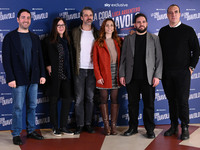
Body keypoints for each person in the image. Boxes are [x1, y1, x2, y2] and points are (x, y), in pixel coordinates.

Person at [2, 9, 46, 145]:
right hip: (18, 79)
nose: (26, 20)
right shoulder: (10, 37)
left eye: (28, 18)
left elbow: (40, 58)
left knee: (32, 106)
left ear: (30, 20)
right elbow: (6, 60)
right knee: (18, 108)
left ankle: (31, 130)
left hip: (33, 78)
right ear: (17, 19)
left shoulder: (35, 38)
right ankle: (16, 133)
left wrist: (42, 74)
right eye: (23, 17)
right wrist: (10, 78)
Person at [159, 4, 200, 140]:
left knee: (182, 101)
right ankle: (173, 126)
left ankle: (185, 127)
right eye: (170, 12)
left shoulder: (188, 30)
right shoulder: (163, 31)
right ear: (167, 15)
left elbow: (197, 51)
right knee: (171, 101)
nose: (173, 15)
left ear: (180, 14)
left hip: (183, 72)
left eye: (176, 12)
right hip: (167, 73)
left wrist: (191, 67)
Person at [119, 13, 163, 139]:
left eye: (143, 22)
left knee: (149, 105)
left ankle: (150, 129)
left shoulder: (154, 38)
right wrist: (122, 74)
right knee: (132, 105)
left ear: (147, 23)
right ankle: (133, 128)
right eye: (138, 22)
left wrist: (157, 76)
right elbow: (123, 59)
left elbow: (159, 59)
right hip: (131, 78)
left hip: (148, 78)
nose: (141, 24)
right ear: (134, 24)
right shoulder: (128, 39)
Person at [43, 17, 74, 136]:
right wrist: (47, 65)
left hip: (66, 75)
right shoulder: (48, 40)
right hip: (54, 76)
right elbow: (44, 56)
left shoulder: (68, 40)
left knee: (67, 100)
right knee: (53, 101)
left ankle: (64, 126)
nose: (61, 27)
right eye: (58, 25)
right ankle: (55, 127)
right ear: (54, 27)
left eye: (63, 25)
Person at [71, 7, 98, 134]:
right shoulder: (74, 32)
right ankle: (79, 124)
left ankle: (88, 124)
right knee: (79, 98)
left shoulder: (97, 33)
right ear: (81, 17)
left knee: (90, 98)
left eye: (91, 15)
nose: (89, 17)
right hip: (79, 69)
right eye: (86, 15)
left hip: (93, 70)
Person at [93, 18, 121, 135]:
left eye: (111, 25)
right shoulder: (98, 42)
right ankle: (106, 126)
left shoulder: (118, 41)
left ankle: (113, 126)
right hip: (104, 74)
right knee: (103, 98)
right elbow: (95, 61)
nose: (109, 27)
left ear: (114, 28)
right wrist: (98, 76)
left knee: (114, 98)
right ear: (103, 28)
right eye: (107, 25)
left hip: (116, 73)